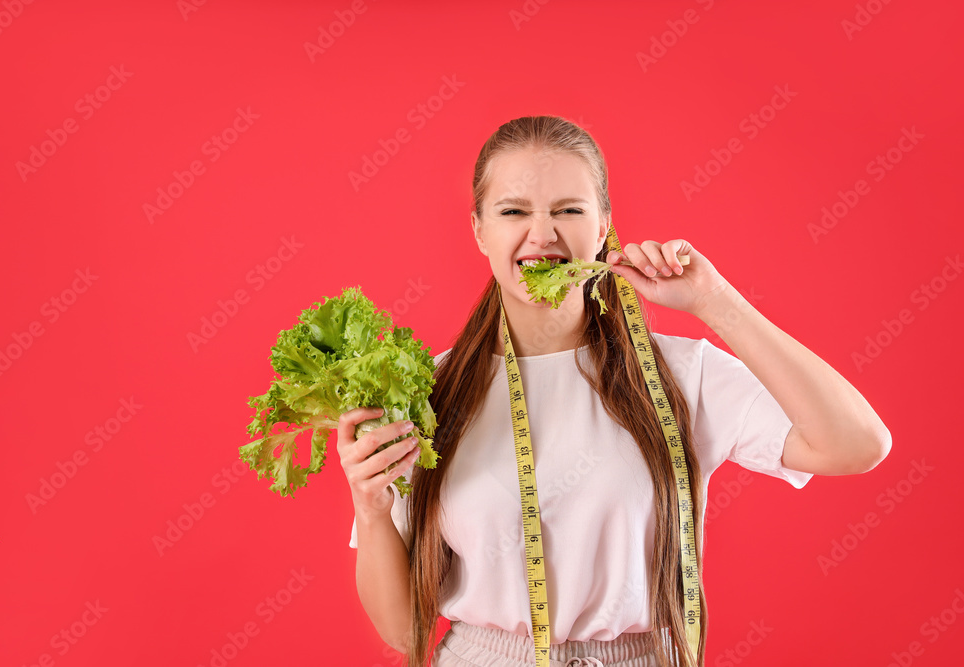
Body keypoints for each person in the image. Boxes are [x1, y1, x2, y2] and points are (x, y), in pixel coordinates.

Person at [339, 116, 892, 667]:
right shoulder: (430, 390)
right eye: (513, 211)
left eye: (568, 210)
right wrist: (370, 507)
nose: (542, 234)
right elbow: (400, 628)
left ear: (604, 225)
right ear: (480, 230)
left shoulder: (680, 373)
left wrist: (715, 302)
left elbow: (857, 443)